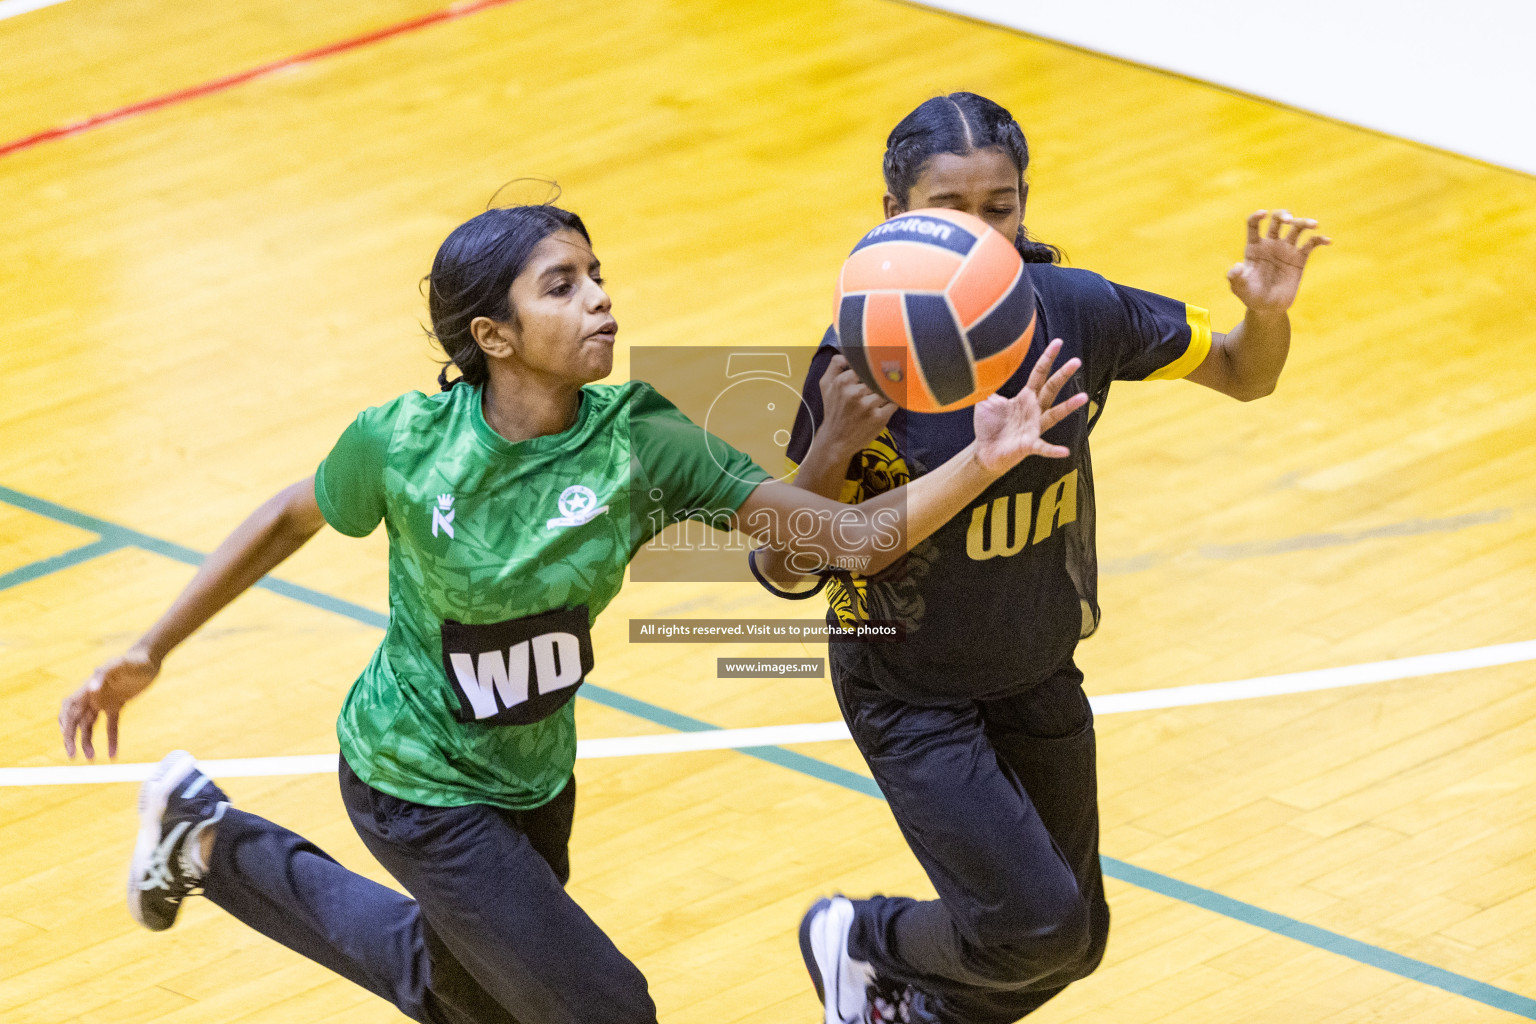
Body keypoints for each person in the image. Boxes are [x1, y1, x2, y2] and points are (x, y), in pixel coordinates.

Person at [57, 201, 1088, 1024]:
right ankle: (207, 836)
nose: (600, 300)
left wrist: (982, 455)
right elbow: (290, 512)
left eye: (597, 276)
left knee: (457, 991)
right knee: (602, 1006)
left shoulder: (645, 443)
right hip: (411, 776)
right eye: (564, 285)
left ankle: (203, 837)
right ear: (492, 334)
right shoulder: (406, 445)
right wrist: (149, 647)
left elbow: (850, 539)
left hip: (534, 779)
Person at [750, 93, 1330, 1024]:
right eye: (949, 210)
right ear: (894, 216)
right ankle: (858, 939)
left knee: (1073, 944)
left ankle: (908, 1013)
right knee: (1032, 926)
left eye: (1001, 209)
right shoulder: (860, 355)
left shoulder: (1076, 309)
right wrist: (826, 455)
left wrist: (1264, 315)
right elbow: (781, 570)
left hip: (1035, 664)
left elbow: (1244, 373)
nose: (985, 233)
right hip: (910, 683)